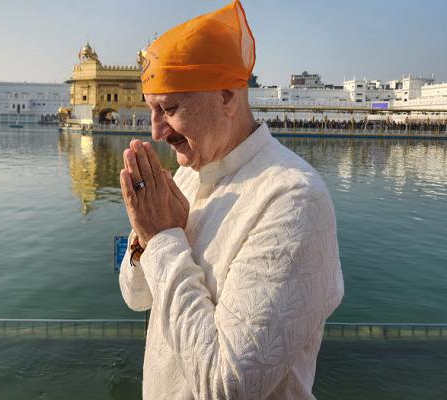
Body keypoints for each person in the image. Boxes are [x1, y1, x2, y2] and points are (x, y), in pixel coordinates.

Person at [118, 1, 344, 399]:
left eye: (169, 108)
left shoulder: (291, 200)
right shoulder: (186, 175)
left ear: (226, 95)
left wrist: (164, 239)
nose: (156, 132)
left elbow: (228, 386)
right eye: (152, 110)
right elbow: (135, 297)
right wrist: (144, 236)